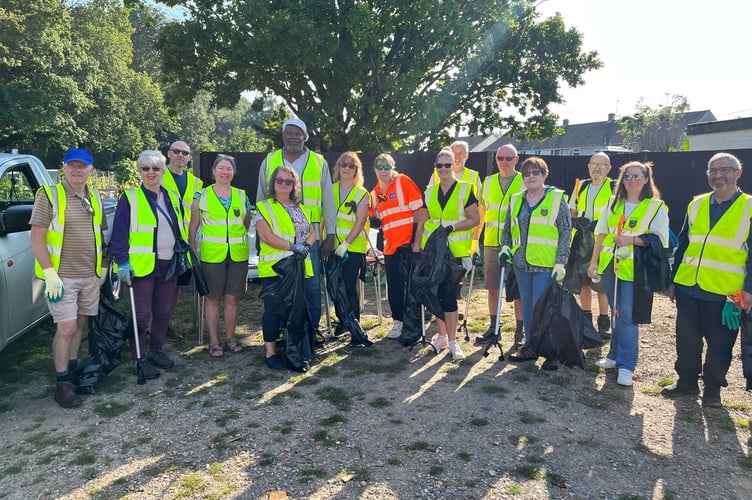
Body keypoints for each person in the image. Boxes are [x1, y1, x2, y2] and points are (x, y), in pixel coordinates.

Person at [663, 153, 752, 406]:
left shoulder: (749, 206)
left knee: (720, 345)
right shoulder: (697, 204)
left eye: (725, 170)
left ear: (738, 173)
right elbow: (683, 244)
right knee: (687, 341)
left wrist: (749, 290)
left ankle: (713, 389)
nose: (718, 175)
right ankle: (687, 383)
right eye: (713, 170)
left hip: (727, 293)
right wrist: (673, 279)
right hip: (690, 286)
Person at [30, 148, 106, 408]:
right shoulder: (49, 196)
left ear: (90, 170)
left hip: (89, 275)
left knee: (80, 323)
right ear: (63, 168)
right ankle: (62, 383)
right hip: (61, 278)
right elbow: (36, 237)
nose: (77, 170)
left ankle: (73, 373)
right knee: (67, 327)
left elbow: (99, 236)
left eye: (82, 166)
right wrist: (49, 273)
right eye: (71, 165)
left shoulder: (94, 196)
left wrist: (103, 269)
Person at [588, 161, 669, 387]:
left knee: (629, 317)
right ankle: (613, 356)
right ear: (622, 180)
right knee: (616, 314)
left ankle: (626, 365)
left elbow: (660, 241)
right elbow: (601, 235)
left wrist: (632, 240)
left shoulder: (656, 207)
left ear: (646, 179)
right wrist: (593, 263)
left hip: (636, 271)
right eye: (628, 176)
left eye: (637, 176)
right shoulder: (613, 204)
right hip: (610, 268)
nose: (632, 180)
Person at [257, 118, 335, 340]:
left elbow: (327, 200)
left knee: (310, 285)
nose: (293, 136)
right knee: (280, 287)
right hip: (276, 237)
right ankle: (284, 332)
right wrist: (259, 231)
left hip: (309, 237)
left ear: (305, 136)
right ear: (283, 136)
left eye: (298, 133)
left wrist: (330, 233)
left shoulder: (319, 162)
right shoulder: (270, 160)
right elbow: (261, 196)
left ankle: (311, 331)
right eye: (289, 132)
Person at [111, 150, 186, 379]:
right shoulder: (130, 197)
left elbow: (179, 227)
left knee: (163, 312)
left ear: (163, 171)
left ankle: (156, 350)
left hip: (168, 263)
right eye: (146, 168)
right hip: (141, 266)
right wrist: (122, 262)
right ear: (140, 172)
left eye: (155, 168)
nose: (151, 172)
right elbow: (119, 233)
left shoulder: (172, 196)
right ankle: (139, 357)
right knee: (141, 314)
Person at [502, 157, 571, 370]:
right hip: (522, 264)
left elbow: (565, 232)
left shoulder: (557, 199)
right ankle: (531, 347)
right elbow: (507, 230)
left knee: (547, 309)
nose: (531, 176)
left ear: (544, 175)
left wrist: (561, 262)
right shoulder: (516, 200)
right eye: (527, 173)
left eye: (536, 172)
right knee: (529, 306)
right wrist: (505, 248)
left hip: (546, 266)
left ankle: (552, 352)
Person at [415, 149, 481, 360]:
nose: (443, 169)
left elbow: (475, 219)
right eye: (439, 165)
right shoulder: (430, 192)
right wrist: (416, 244)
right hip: (433, 252)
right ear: (435, 167)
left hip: (454, 254)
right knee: (434, 294)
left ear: (454, 166)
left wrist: (452, 227)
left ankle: (453, 342)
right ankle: (442, 336)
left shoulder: (465, 189)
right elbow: (422, 220)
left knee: (449, 296)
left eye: (447, 165)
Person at [254, 166, 316, 369]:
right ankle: (270, 352)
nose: (283, 184)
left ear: (294, 185)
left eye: (288, 181)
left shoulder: (301, 208)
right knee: (273, 311)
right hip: (276, 268)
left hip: (298, 268)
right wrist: (293, 247)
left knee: (296, 311)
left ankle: (294, 348)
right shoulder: (263, 207)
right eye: (279, 180)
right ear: (273, 183)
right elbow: (266, 236)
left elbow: (313, 231)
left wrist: (306, 245)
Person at [189, 155, 250, 358]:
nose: (225, 172)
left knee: (232, 298)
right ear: (214, 171)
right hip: (212, 256)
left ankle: (231, 338)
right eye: (221, 168)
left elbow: (247, 223)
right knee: (213, 299)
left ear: (233, 172)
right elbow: (194, 226)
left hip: (238, 255)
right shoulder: (201, 196)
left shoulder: (242, 195)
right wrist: (193, 251)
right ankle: (214, 342)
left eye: (229, 168)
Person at [369, 153, 425, 339]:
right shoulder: (374, 193)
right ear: (375, 169)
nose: (383, 171)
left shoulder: (403, 181)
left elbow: (419, 211)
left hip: (408, 245)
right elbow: (375, 222)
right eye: (380, 167)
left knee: (413, 286)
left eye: (387, 167)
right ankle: (398, 322)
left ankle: (416, 323)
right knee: (394, 288)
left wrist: (415, 241)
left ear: (393, 167)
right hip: (390, 248)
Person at [477, 144, 524, 347]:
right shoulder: (487, 182)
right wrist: (474, 239)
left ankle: (520, 332)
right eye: (500, 158)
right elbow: (481, 212)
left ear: (516, 159)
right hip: (491, 242)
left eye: (508, 158)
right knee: (492, 288)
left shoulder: (524, 181)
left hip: (516, 244)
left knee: (517, 290)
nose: (503, 162)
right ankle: (493, 328)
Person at [162, 140, 204, 342]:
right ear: (169, 153)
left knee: (175, 286)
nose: (180, 155)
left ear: (189, 157)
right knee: (156, 286)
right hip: (160, 240)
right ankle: (148, 326)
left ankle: (164, 325)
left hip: (185, 243)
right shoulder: (156, 176)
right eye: (176, 151)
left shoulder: (197, 184)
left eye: (184, 152)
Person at [569, 152, 613, 337]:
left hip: (602, 243)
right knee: (583, 284)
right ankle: (586, 320)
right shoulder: (581, 186)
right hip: (581, 241)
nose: (597, 168)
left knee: (600, 284)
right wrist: (576, 221)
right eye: (594, 164)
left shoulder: (614, 187)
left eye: (602, 165)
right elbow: (572, 210)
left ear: (609, 168)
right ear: (588, 166)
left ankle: (604, 323)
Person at [331, 152, 371, 330]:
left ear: (356, 170)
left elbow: (360, 221)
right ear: (338, 167)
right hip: (333, 247)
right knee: (334, 287)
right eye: (343, 164)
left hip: (353, 248)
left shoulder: (361, 193)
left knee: (348, 287)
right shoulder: (330, 190)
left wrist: (346, 244)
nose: (347, 168)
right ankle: (343, 321)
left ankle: (354, 325)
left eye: (351, 166)